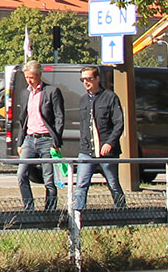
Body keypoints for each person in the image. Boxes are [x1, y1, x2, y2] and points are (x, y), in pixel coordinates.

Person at [9, 60, 66, 212]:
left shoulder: (52, 91)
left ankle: (50, 210)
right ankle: (29, 208)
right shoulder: (25, 93)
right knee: (21, 175)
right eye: (27, 77)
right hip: (29, 138)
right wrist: (20, 143)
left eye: (32, 77)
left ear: (39, 75)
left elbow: (59, 117)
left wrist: (56, 141)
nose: (29, 80)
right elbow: (23, 119)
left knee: (48, 178)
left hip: (46, 139)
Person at [72, 65, 126, 210]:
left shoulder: (110, 97)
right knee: (81, 184)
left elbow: (119, 123)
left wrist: (109, 143)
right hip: (87, 151)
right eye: (83, 79)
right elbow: (84, 126)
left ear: (97, 79)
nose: (86, 82)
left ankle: (122, 213)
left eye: (89, 79)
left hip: (107, 151)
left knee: (113, 183)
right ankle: (77, 215)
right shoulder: (83, 100)